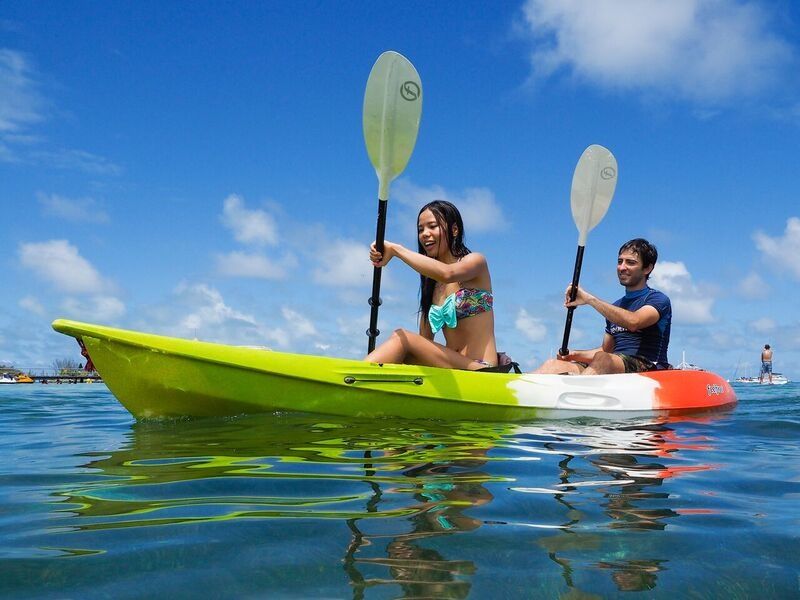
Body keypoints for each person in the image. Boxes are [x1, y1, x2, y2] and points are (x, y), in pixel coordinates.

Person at [365, 200, 498, 370]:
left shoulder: (475, 262)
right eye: (420, 230)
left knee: (402, 337)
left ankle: (351, 379)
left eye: (432, 226)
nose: (425, 234)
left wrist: (395, 250)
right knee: (404, 349)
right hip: (453, 370)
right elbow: (425, 343)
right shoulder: (431, 285)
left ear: (454, 230)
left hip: (481, 368)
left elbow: (447, 273)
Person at [535, 238, 671, 375]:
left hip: (650, 366)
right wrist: (573, 354)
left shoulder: (657, 299)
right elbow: (606, 350)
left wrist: (589, 299)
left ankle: (578, 392)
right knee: (552, 365)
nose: (622, 267)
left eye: (630, 262)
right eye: (620, 261)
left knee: (604, 360)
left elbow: (634, 322)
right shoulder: (615, 307)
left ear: (647, 268)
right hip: (613, 364)